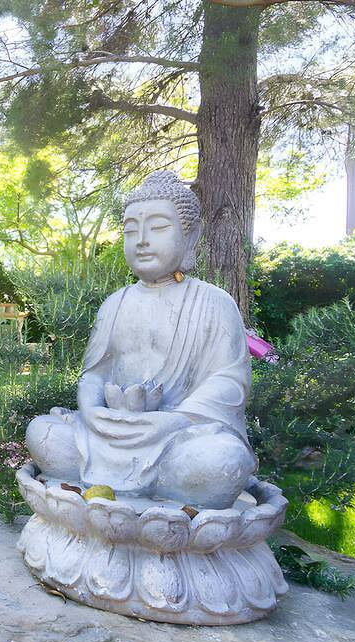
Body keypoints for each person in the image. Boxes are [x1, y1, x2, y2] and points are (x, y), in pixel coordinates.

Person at [26, 171, 255, 510]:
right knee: (42, 433)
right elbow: (95, 373)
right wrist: (91, 412)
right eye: (131, 230)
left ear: (190, 236)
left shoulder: (214, 302)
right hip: (106, 434)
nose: (142, 240)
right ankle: (143, 488)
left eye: (158, 228)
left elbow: (230, 381)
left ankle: (166, 489)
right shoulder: (116, 303)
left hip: (177, 436)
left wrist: (173, 420)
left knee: (222, 460)